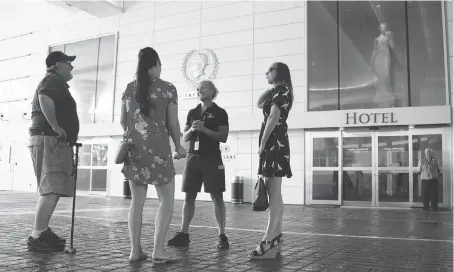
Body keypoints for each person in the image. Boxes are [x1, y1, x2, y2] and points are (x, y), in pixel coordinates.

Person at [120, 47, 186, 263]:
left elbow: (123, 120)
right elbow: (173, 122)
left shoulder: (130, 89)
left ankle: (135, 251)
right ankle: (158, 250)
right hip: (157, 148)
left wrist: (136, 133)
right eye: (160, 64)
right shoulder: (167, 89)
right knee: (166, 200)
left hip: (134, 148)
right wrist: (178, 145)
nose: (160, 69)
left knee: (136, 202)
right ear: (154, 64)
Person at [167, 80, 230, 249]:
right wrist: (193, 130)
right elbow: (185, 136)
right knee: (189, 196)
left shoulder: (220, 112)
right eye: (198, 88)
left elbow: (223, 137)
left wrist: (204, 130)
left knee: (217, 196)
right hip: (193, 158)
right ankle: (184, 233)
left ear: (212, 90)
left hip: (212, 157)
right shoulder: (193, 112)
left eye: (203, 87)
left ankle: (222, 235)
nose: (199, 89)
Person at [27, 51, 79, 251]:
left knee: (52, 188)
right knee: (51, 188)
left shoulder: (55, 81)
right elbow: (44, 97)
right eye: (69, 63)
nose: (71, 67)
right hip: (50, 138)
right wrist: (57, 127)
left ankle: (41, 231)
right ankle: (37, 235)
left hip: (47, 139)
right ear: (58, 65)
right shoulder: (53, 81)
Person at [249, 62, 293, 259]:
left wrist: (263, 143)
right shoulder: (278, 92)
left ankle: (268, 240)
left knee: (273, 192)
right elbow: (259, 104)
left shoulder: (283, 91)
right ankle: (276, 238)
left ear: (279, 72)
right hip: (275, 146)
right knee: (276, 193)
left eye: (270, 70)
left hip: (274, 145)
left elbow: (273, 117)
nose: (266, 72)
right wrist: (270, 88)